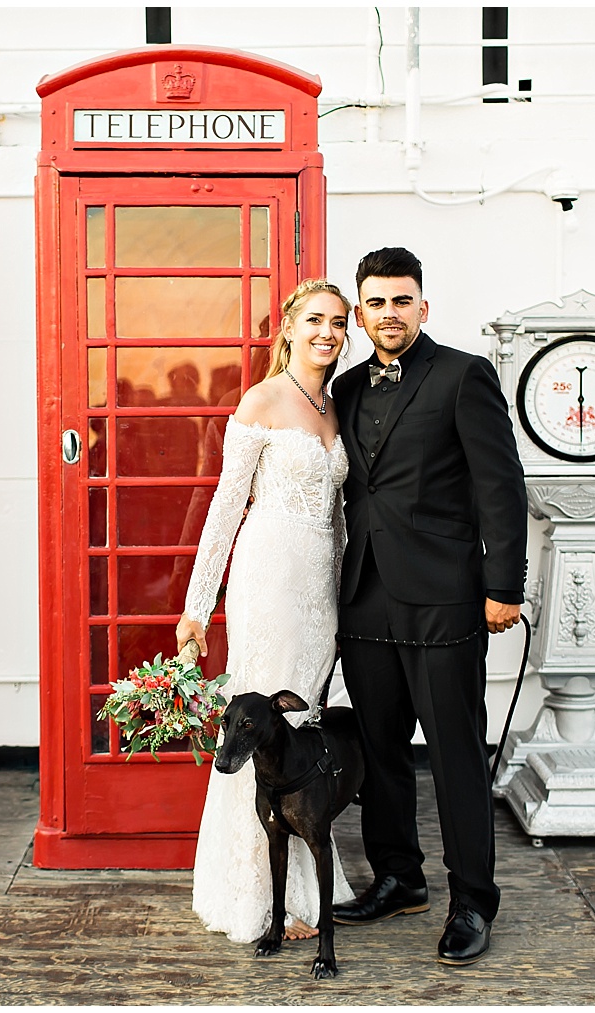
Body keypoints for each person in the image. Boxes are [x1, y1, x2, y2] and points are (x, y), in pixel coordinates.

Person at [329, 247, 527, 966]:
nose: (389, 313)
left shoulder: (463, 375)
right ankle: (397, 876)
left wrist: (502, 585)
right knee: (380, 754)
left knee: (453, 758)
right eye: (376, 302)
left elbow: (499, 487)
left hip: (444, 596)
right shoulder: (344, 388)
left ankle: (472, 898)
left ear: (423, 306)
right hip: (364, 596)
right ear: (360, 311)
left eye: (401, 300)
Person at [175, 279, 357, 944]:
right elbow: (226, 506)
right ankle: (255, 892)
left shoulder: (336, 405)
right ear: (287, 327)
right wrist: (197, 607)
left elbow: (341, 515)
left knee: (306, 727)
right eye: (314, 319)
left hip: (321, 586)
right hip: (269, 577)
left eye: (339, 322)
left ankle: (306, 883)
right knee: (263, 731)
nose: (327, 332)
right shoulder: (262, 399)